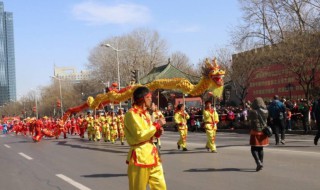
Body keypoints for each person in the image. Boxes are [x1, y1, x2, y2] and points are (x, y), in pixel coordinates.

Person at [124, 86, 166, 190]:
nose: (151, 100)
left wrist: (157, 132)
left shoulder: (146, 114)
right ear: (142, 99)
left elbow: (149, 133)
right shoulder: (131, 114)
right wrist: (157, 125)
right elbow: (140, 135)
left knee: (161, 186)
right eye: (149, 97)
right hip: (140, 156)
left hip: (152, 155)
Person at [248, 97, 269, 171]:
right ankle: (261, 162)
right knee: (261, 148)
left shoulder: (253, 112)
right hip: (263, 132)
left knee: (253, 149)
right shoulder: (266, 111)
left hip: (255, 132)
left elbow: (249, 119)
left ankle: (258, 162)